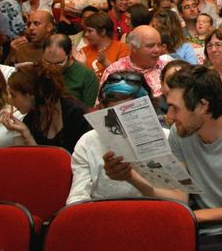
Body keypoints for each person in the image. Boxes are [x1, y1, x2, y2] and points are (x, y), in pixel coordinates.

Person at [104, 64, 222, 250]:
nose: (170, 116)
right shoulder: (179, 133)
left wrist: (201, 216)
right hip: (201, 236)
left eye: (175, 108)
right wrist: (131, 177)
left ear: (202, 106)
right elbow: (179, 198)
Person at [67, 71, 159, 204]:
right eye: (114, 114)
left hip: (153, 214)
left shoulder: (167, 138)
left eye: (130, 114)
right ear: (102, 109)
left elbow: (177, 198)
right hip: (102, 215)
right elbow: (77, 197)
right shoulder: (88, 142)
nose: (123, 122)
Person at [4, 64, 91, 153]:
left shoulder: (76, 115)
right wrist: (26, 134)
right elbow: (40, 163)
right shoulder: (30, 120)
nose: (9, 100)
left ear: (31, 95)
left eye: (13, 95)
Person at [99, 25, 167, 100]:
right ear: (134, 48)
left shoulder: (167, 69)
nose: (157, 50)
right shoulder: (114, 71)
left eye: (159, 45)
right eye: (150, 46)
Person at [42, 33, 99, 107]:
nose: (52, 68)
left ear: (70, 54)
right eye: (48, 63)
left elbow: (87, 111)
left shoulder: (87, 76)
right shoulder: (40, 71)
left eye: (58, 64)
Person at [75, 11, 130, 78]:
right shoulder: (84, 51)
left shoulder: (121, 48)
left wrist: (105, 62)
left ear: (103, 31)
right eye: (86, 31)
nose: (86, 34)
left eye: (90, 31)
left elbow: (121, 78)